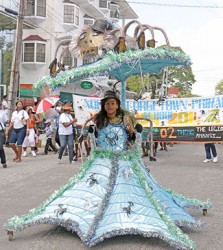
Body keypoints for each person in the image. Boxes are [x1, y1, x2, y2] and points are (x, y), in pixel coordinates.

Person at [4, 91, 212, 249]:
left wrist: (134, 131)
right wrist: (93, 131)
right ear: (104, 106)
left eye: (113, 103)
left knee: (141, 192)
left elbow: (132, 140)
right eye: (107, 103)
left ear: (118, 105)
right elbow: (94, 140)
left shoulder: (126, 118)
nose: (110, 106)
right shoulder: (99, 119)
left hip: (124, 162)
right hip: (101, 162)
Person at [0, 101, 9, 168]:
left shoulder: (2, 113)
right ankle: (3, 161)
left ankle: (3, 161)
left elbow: (7, 121)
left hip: (0, 131)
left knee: (0, 146)